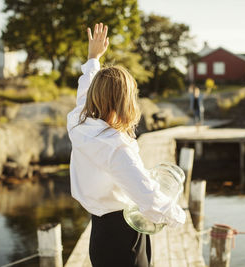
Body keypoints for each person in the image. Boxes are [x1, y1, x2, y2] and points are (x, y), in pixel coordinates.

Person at [66, 23, 185, 267]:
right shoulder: (116, 147)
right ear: (125, 102)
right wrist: (179, 216)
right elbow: (148, 198)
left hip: (100, 234)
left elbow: (83, 93)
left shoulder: (79, 124)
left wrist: (93, 59)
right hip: (123, 237)